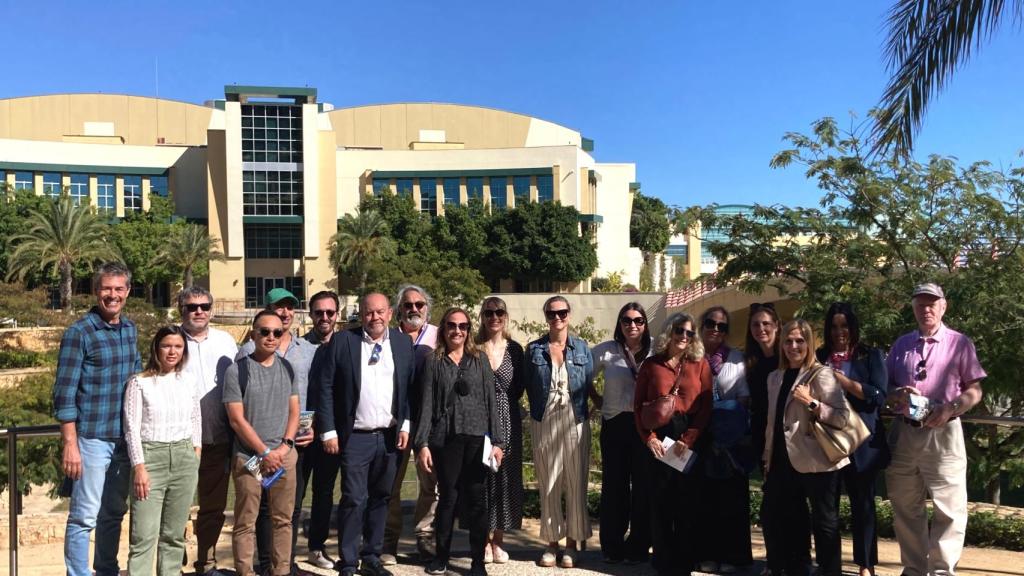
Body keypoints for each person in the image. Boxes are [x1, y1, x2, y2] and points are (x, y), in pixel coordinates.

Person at [886, 283, 985, 576]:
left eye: (932, 304)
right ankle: (914, 570)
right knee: (905, 506)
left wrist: (951, 408)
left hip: (944, 433)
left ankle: (942, 571)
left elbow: (975, 390)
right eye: (920, 304)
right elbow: (886, 388)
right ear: (913, 308)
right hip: (904, 433)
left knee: (950, 509)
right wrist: (896, 395)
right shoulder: (901, 344)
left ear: (944, 306)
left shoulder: (960, 343)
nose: (926, 309)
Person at [317, 292, 415, 576]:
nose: (375, 318)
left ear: (390, 313)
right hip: (355, 437)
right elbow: (326, 387)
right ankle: (348, 561)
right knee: (353, 499)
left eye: (380, 312)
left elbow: (408, 389)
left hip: (389, 436)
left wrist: (406, 424)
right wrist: (329, 431)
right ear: (362, 314)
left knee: (381, 498)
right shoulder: (344, 341)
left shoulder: (402, 342)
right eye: (370, 312)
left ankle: (372, 556)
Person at [53, 262, 141, 576]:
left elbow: (137, 382)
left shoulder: (130, 330)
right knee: (83, 517)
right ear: (96, 291)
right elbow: (64, 393)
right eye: (107, 288)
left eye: (119, 289)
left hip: (123, 440)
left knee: (114, 513)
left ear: (128, 291)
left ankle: (106, 570)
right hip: (90, 439)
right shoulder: (79, 333)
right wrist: (70, 444)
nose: (113, 295)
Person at [415, 308, 505, 576]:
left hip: (477, 438)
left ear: (468, 330)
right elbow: (427, 405)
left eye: (463, 326)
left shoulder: (480, 360)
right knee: (448, 499)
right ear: (443, 328)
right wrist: (422, 444)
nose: (457, 331)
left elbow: (491, 402)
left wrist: (498, 442)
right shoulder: (434, 361)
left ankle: (477, 562)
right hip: (447, 438)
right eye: (452, 326)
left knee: (477, 501)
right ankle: (441, 557)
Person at [762, 319, 849, 576]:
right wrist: (767, 455)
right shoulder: (774, 377)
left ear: (809, 344)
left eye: (800, 340)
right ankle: (795, 567)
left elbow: (841, 417)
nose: (793, 346)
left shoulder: (821, 374)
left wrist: (811, 402)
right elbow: (772, 421)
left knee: (824, 522)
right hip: (782, 457)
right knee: (785, 517)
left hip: (817, 457)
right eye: (788, 341)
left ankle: (830, 570)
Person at [237, 288, 316, 574]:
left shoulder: (305, 349)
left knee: (288, 511)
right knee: (257, 513)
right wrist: (265, 449)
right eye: (278, 308)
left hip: (294, 440)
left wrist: (292, 439)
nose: (284, 313)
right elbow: (239, 408)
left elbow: (308, 396)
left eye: (289, 308)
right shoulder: (245, 354)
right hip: (256, 447)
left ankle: (285, 565)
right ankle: (262, 563)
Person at [633, 312, 712, 576]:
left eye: (690, 333)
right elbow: (638, 407)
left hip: (688, 435)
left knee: (687, 502)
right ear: (670, 331)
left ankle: (684, 562)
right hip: (660, 435)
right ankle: (663, 562)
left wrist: (688, 440)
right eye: (680, 331)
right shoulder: (651, 364)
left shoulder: (699, 364)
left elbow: (705, 407)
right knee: (660, 501)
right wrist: (649, 438)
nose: (684, 337)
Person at [224, 311, 301, 576]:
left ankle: (281, 570)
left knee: (283, 521)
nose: (271, 337)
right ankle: (245, 571)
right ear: (253, 333)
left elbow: (294, 411)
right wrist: (264, 452)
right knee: (246, 522)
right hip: (250, 457)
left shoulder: (287, 368)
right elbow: (237, 419)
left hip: (283, 456)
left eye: (277, 333)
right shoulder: (238, 371)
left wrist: (285, 447)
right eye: (264, 331)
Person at [815, 302, 889, 576]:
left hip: (861, 443)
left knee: (864, 506)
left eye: (844, 325)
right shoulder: (819, 355)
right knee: (826, 509)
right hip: (827, 442)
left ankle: (865, 564)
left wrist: (842, 381)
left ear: (852, 327)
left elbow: (879, 396)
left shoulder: (869, 355)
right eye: (834, 326)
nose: (839, 332)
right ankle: (828, 563)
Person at [124, 325, 201, 576]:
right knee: (143, 536)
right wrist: (139, 467)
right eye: (167, 345)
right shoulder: (139, 383)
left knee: (174, 535)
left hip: (184, 458)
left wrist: (195, 452)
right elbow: (131, 429)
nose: (172, 351)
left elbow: (195, 419)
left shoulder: (188, 380)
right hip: (151, 459)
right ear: (156, 348)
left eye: (178, 346)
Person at [523, 296, 593, 569]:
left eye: (562, 312)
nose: (557, 318)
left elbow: (587, 383)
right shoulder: (534, 350)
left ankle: (572, 545)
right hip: (545, 417)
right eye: (552, 314)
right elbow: (529, 384)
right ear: (546, 317)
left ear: (569, 314)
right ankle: (551, 543)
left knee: (576, 482)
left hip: (575, 418)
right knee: (549, 483)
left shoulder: (582, 348)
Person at [178, 286, 240, 576]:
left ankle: (207, 562)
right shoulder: (172, 341)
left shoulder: (226, 341)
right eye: (192, 307)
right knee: (175, 508)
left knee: (213, 508)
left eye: (204, 306)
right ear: (182, 310)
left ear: (211, 309)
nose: (199, 311)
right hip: (180, 442)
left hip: (218, 438)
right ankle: (171, 563)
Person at [590, 302, 651, 565]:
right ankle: (612, 547)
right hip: (615, 422)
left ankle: (638, 546)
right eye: (627, 320)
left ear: (645, 324)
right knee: (614, 488)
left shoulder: (654, 351)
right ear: (620, 324)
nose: (632, 325)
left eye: (638, 320)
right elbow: (582, 377)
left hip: (645, 426)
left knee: (643, 489)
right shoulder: (607, 350)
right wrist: (597, 399)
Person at [383, 284, 440, 565]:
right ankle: (389, 540)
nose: (414, 309)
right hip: (397, 423)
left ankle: (425, 537)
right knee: (391, 484)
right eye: (408, 305)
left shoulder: (439, 336)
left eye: (419, 304)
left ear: (427, 308)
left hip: (430, 421)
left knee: (430, 484)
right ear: (399, 310)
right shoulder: (389, 338)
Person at [695, 306, 752, 574]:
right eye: (711, 323)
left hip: (729, 438)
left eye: (722, 326)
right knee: (703, 498)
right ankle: (705, 554)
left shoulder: (735, 358)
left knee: (731, 499)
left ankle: (733, 555)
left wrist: (723, 418)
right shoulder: (691, 355)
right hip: (698, 436)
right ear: (701, 324)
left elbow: (743, 397)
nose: (715, 330)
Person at [475, 297, 525, 565]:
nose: (494, 317)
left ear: (505, 316)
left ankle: (499, 541)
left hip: (508, 419)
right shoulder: (473, 348)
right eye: (489, 312)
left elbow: (519, 388)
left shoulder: (516, 350)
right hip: (479, 420)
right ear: (482, 316)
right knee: (481, 481)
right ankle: (482, 540)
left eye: (499, 312)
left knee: (505, 481)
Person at [301, 290, 344, 570]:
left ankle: (317, 547)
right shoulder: (298, 346)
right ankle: (281, 551)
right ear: (311, 315)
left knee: (325, 494)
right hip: (302, 434)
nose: (324, 318)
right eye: (319, 313)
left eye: (330, 312)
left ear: (337, 315)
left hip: (331, 434)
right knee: (292, 496)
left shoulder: (346, 346)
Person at [745, 302, 781, 465]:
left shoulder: (787, 358)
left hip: (785, 431)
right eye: (755, 324)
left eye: (766, 323)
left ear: (776, 325)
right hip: (761, 430)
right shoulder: (750, 361)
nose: (761, 328)